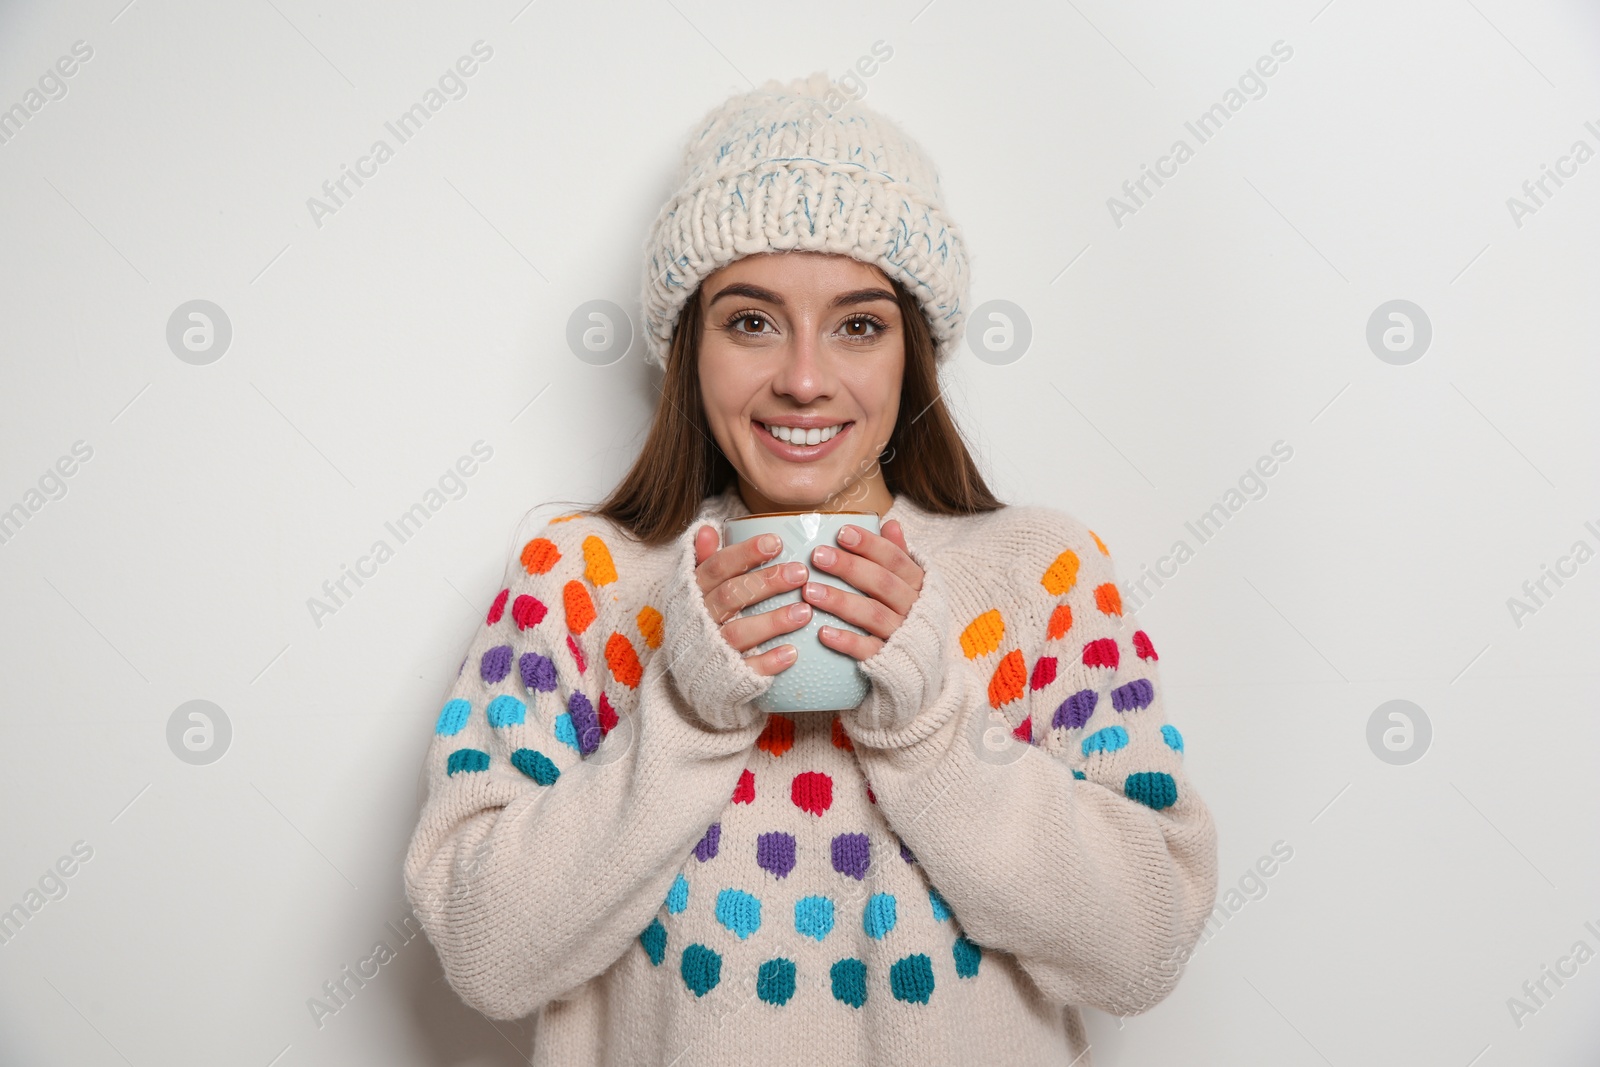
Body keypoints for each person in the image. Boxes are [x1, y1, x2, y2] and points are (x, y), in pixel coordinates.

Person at [404, 71, 1218, 1066]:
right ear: (688, 347)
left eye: (857, 324)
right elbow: (485, 954)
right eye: (751, 320)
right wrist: (687, 716)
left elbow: (1142, 949)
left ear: (911, 351)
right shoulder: (581, 579)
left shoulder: (1042, 574)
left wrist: (931, 730)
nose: (801, 375)